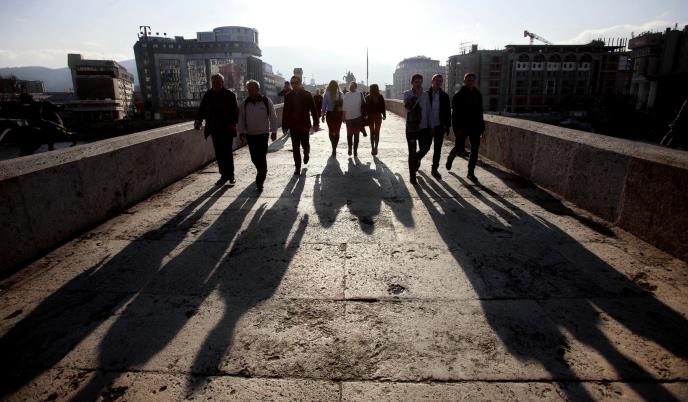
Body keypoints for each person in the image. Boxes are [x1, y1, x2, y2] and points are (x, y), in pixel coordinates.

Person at [195, 73, 240, 186]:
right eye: (214, 82)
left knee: (227, 153)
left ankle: (231, 175)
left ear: (222, 82)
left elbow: (235, 112)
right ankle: (223, 176)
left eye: (218, 82)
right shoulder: (208, 95)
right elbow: (201, 109)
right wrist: (198, 121)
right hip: (214, 129)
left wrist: (232, 124)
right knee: (219, 154)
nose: (216, 84)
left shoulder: (230, 95)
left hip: (227, 129)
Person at [238, 80, 278, 191]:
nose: (250, 91)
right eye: (249, 89)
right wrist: (241, 132)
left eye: (252, 89)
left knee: (261, 156)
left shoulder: (266, 101)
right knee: (254, 158)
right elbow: (241, 119)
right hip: (250, 135)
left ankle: (260, 181)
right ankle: (262, 170)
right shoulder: (245, 104)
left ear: (258, 89)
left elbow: (273, 117)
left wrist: (274, 131)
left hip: (263, 135)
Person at [446, 72, 485, 183]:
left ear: (474, 81)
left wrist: (482, 127)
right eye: (468, 80)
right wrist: (456, 129)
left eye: (472, 80)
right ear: (464, 81)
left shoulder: (478, 94)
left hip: (475, 127)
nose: (470, 82)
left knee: (475, 150)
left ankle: (470, 173)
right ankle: (450, 157)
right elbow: (455, 114)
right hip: (462, 126)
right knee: (459, 147)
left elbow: (480, 111)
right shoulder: (458, 95)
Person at [282, 75, 318, 175]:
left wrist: (316, 123)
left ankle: (306, 153)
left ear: (300, 83)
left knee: (305, 144)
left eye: (296, 83)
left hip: (304, 125)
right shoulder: (288, 96)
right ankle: (297, 167)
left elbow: (313, 109)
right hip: (293, 125)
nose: (294, 85)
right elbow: (285, 111)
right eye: (292, 83)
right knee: (295, 147)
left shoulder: (307, 94)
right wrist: (284, 125)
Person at [403, 74, 431, 185]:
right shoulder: (407, 94)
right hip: (412, 128)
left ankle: (417, 159)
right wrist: (417, 96)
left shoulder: (426, 95)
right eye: (416, 82)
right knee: (412, 151)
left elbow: (428, 111)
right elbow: (408, 108)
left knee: (426, 147)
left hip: (424, 127)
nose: (418, 84)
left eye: (420, 82)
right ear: (412, 82)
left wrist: (431, 125)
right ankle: (412, 175)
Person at [426, 74, 451, 179]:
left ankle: (434, 169)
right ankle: (417, 160)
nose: (438, 82)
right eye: (436, 80)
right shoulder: (426, 95)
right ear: (432, 81)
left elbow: (448, 112)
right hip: (427, 126)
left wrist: (447, 126)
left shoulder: (444, 96)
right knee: (425, 147)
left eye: (440, 81)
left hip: (439, 126)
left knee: (437, 149)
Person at [342, 81, 367, 157]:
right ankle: (351, 149)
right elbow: (344, 106)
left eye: (352, 86)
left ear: (355, 87)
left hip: (355, 117)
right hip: (351, 117)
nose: (351, 87)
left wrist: (343, 116)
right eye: (350, 86)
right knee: (352, 134)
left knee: (354, 134)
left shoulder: (358, 94)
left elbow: (364, 105)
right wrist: (343, 116)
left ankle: (353, 150)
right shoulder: (348, 94)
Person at [321, 80, 344, 156]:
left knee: (331, 131)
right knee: (337, 131)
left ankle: (333, 146)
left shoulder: (326, 94)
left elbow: (324, 105)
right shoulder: (340, 94)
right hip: (338, 115)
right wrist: (343, 115)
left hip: (330, 114)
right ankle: (335, 147)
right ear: (337, 85)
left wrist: (323, 115)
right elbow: (343, 105)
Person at [365, 84, 386, 156]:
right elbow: (383, 106)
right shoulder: (380, 96)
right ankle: (376, 148)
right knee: (377, 132)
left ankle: (372, 148)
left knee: (372, 132)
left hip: (370, 116)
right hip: (378, 116)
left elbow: (366, 108)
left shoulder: (368, 97)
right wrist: (384, 115)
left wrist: (365, 116)